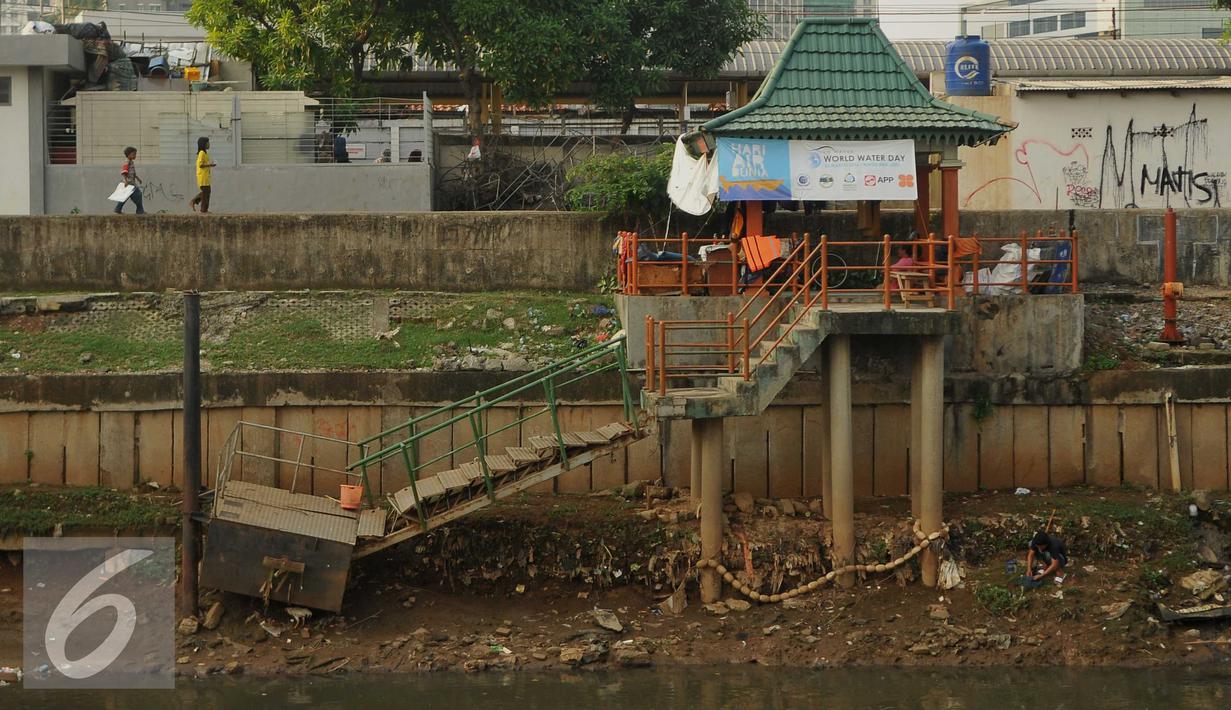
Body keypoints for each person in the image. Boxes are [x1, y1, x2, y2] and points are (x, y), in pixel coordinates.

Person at [113, 146, 145, 214]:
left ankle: (118, 209)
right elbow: (124, 172)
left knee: (125, 196)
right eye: (134, 154)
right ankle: (140, 210)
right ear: (129, 154)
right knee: (138, 195)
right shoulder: (127, 162)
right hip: (129, 183)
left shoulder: (131, 162)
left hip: (131, 182)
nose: (135, 156)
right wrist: (126, 181)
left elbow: (132, 172)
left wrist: (138, 178)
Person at [189, 137, 216, 213]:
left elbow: (204, 164)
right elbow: (200, 164)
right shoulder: (201, 153)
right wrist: (209, 165)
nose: (209, 144)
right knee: (206, 193)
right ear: (203, 144)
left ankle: (195, 202)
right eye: (207, 143)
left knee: (207, 192)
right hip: (202, 177)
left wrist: (210, 165)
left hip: (206, 177)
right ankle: (203, 210)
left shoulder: (205, 153)